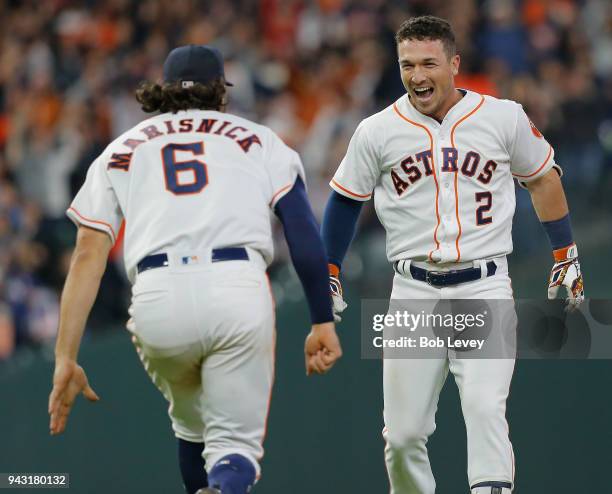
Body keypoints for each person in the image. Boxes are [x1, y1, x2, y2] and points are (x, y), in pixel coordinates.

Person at [48, 44, 342, 494]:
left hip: (156, 298)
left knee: (193, 429)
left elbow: (88, 253)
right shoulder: (258, 139)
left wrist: (65, 356)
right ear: (221, 92)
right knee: (234, 451)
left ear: (162, 92)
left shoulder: (122, 148)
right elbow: (302, 232)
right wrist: (322, 318)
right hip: (235, 288)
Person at [321, 16, 583, 494]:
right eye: (407, 65)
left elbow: (544, 177)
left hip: (483, 285)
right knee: (401, 437)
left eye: (428, 63)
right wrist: (329, 268)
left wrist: (566, 253)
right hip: (413, 292)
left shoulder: (502, 116)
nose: (417, 75)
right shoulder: (377, 130)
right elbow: (343, 200)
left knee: (485, 409)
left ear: (454, 64)